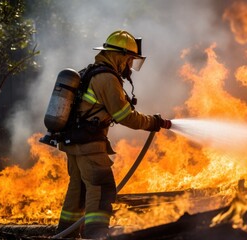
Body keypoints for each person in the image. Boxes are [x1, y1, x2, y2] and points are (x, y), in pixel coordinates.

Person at [55, 30, 172, 239]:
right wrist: (153, 122)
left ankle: (65, 234)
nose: (129, 67)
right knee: (102, 187)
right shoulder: (107, 78)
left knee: (79, 189)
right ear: (120, 56)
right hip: (89, 144)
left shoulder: (89, 72)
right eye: (129, 60)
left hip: (73, 142)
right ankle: (96, 235)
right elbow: (126, 116)